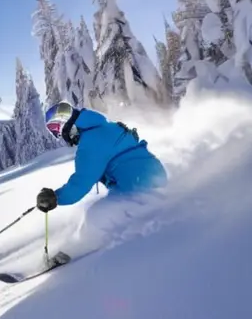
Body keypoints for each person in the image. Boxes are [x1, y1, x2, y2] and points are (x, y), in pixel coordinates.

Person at [36, 101, 168, 259]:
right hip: (151, 178)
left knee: (95, 216)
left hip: (140, 186)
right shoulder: (103, 126)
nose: (60, 136)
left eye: (55, 131)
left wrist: (55, 198)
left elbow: (81, 183)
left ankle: (83, 250)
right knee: (107, 208)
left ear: (64, 126)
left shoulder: (90, 143)